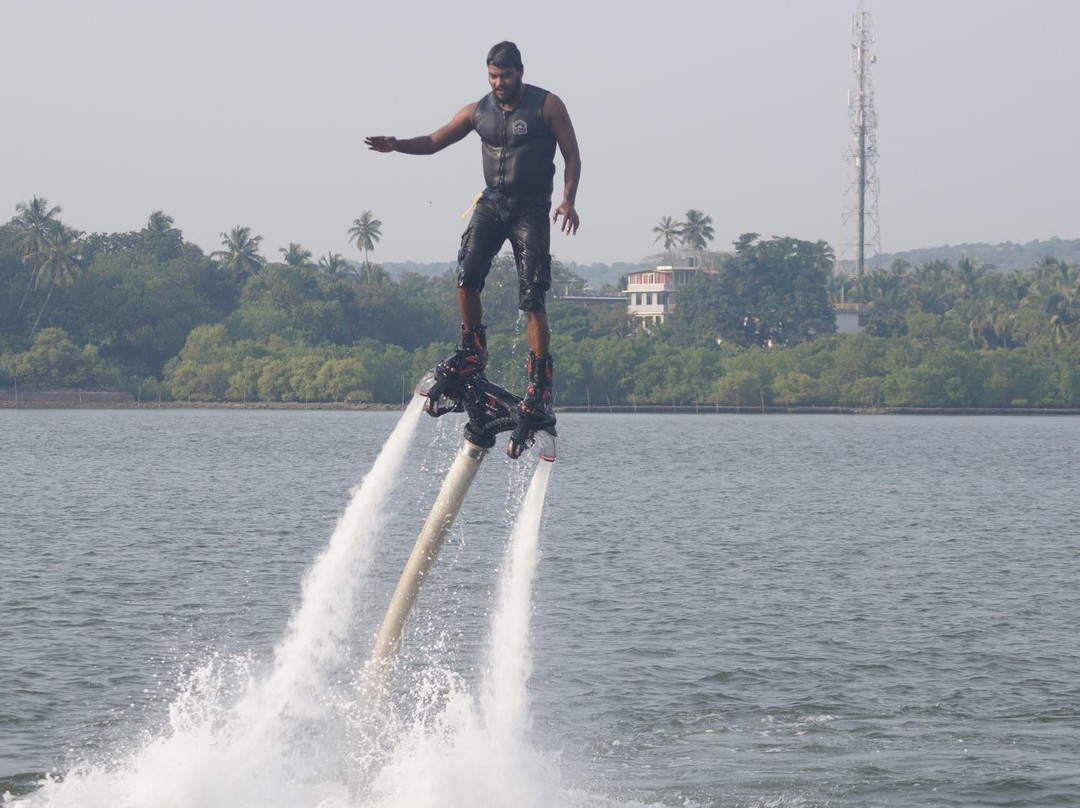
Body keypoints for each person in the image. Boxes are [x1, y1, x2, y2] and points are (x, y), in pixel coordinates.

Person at [365, 40, 581, 425]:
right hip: (492, 203)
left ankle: (540, 383)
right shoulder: (478, 111)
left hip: (531, 208)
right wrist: (397, 145)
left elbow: (572, 155)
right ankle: (472, 350)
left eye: (506, 75)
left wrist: (568, 200)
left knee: (532, 296)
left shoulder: (546, 105)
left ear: (520, 72)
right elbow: (434, 141)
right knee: (466, 274)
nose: (499, 82)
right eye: (493, 76)